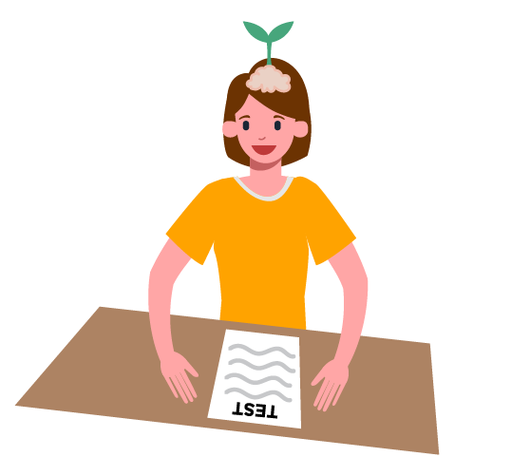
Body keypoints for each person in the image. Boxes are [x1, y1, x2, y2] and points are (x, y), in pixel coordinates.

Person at [148, 55, 367, 413]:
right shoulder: (215, 198)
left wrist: (342, 362)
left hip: (294, 355)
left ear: (299, 128)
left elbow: (355, 280)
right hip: (230, 353)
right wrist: (166, 355)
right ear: (231, 128)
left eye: (277, 124)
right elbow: (161, 275)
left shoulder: (308, 197)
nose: (263, 135)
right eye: (249, 123)